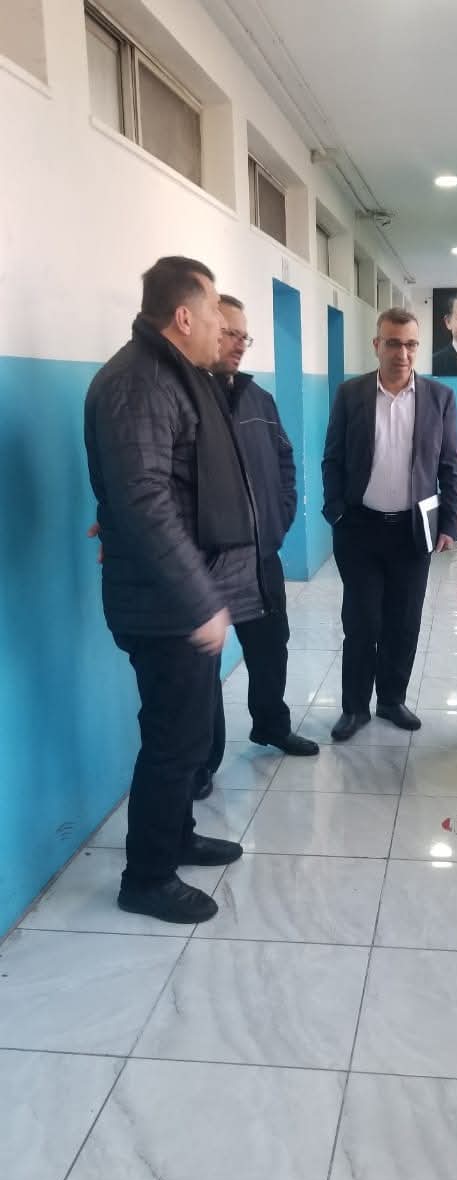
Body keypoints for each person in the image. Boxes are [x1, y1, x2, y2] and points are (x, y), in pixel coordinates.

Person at [85, 257, 266, 924]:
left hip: (177, 595)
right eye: (216, 309)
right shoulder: (139, 383)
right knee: (173, 742)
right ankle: (148, 877)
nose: (223, 322)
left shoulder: (172, 376)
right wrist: (200, 600)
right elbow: (144, 500)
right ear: (185, 316)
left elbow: (158, 484)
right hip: (167, 607)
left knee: (184, 736)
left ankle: (176, 835)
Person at [193, 295, 318, 801]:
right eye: (229, 332)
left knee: (270, 647)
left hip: (260, 555)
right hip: (206, 561)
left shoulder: (257, 398)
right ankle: (203, 761)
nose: (239, 343)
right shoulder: (185, 398)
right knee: (203, 666)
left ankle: (271, 725)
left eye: (244, 335)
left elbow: (285, 461)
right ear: (202, 329)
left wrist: (279, 519)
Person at [322, 306, 457, 741]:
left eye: (411, 344)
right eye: (393, 343)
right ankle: (354, 708)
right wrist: (336, 511)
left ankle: (391, 700)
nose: (402, 353)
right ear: (377, 345)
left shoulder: (439, 398)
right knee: (362, 621)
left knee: (403, 622)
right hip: (360, 529)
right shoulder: (351, 394)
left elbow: (451, 465)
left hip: (412, 531)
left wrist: (449, 524)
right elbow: (333, 458)